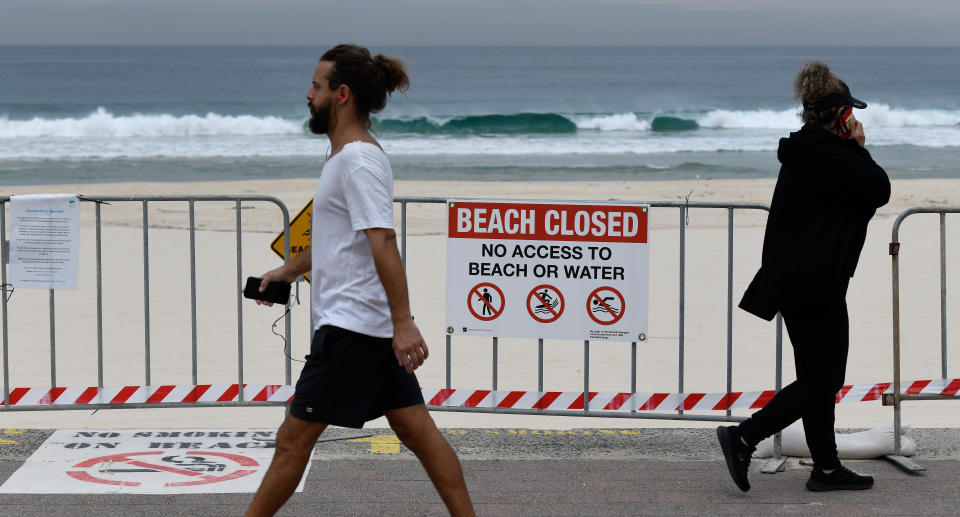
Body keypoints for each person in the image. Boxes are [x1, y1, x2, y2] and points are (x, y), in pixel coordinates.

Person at [245, 44, 475, 517]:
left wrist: (404, 322)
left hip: (352, 330)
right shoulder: (348, 159)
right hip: (368, 330)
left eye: (317, 86)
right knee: (419, 435)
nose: (307, 94)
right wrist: (289, 269)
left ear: (341, 94)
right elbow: (340, 241)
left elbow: (384, 242)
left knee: (292, 441)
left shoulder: (357, 161)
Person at [717, 61, 890, 493]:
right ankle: (744, 436)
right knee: (823, 379)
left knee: (817, 375)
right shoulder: (828, 154)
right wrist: (860, 145)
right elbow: (877, 189)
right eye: (849, 111)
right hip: (813, 282)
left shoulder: (808, 150)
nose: (855, 118)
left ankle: (827, 469)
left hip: (802, 279)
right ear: (838, 114)